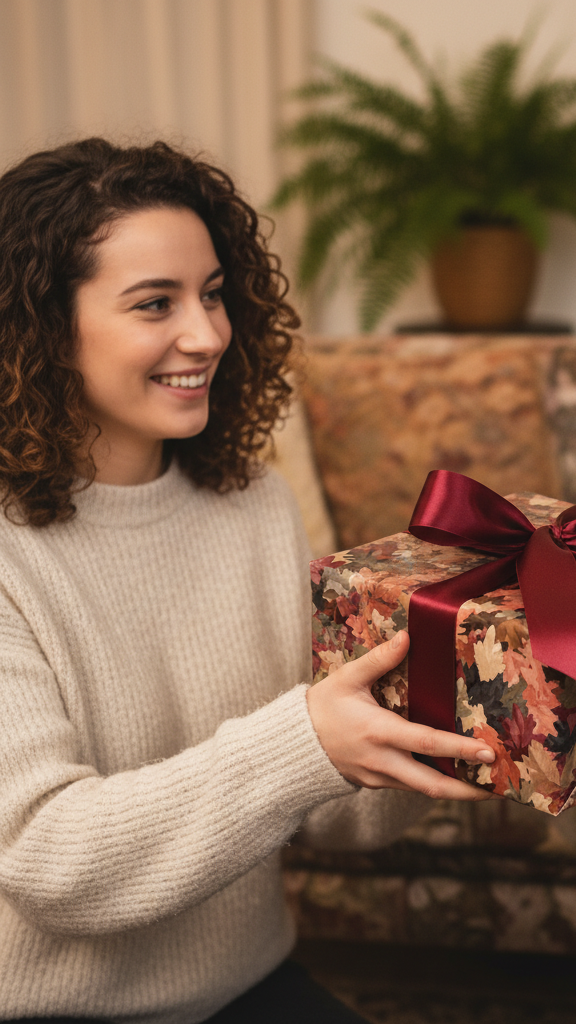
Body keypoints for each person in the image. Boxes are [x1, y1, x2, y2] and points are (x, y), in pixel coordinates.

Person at [0, 138, 496, 1024]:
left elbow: (329, 812)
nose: (208, 334)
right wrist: (306, 739)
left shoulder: (252, 501)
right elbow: (48, 860)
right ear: (39, 326)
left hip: (245, 987)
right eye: (156, 303)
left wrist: (455, 708)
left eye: (216, 293)